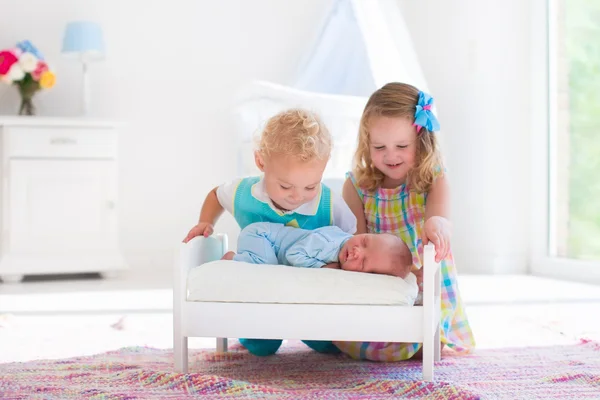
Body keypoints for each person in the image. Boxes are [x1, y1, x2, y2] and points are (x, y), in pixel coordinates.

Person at [183, 108, 357, 357]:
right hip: (259, 289)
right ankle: (235, 267)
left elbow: (352, 236)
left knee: (327, 344)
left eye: (310, 186)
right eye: (285, 186)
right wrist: (205, 222)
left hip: (309, 294)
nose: (297, 196)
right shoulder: (244, 193)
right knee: (260, 346)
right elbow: (216, 195)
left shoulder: (330, 204)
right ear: (261, 162)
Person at [334, 82, 476, 361]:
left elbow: (440, 219)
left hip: (426, 279)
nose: (390, 156)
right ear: (366, 143)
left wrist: (437, 225)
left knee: (429, 342)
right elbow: (356, 244)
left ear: (421, 142)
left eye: (401, 146)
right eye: (379, 146)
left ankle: (421, 334)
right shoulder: (357, 185)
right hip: (381, 281)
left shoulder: (433, 177)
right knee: (350, 336)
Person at [223, 222, 413, 279]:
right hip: (260, 236)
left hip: (264, 240)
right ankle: (233, 260)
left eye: (362, 263)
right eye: (364, 241)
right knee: (268, 270)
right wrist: (320, 268)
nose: (356, 251)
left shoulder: (343, 255)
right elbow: (292, 254)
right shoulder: (327, 243)